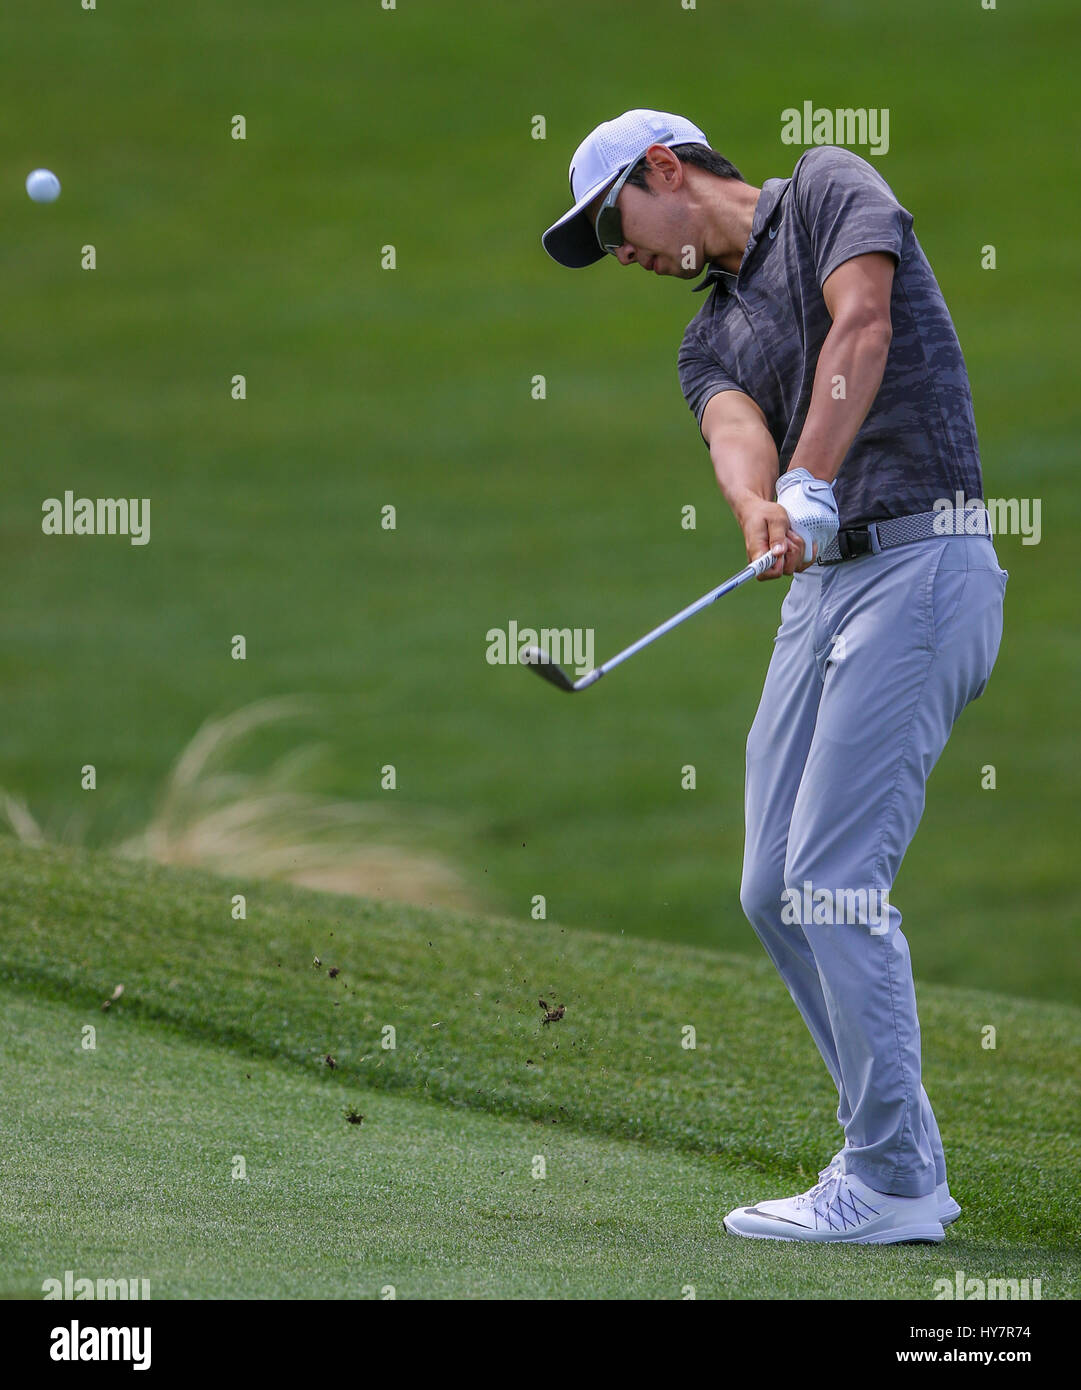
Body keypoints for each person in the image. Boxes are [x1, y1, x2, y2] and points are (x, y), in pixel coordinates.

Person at [541, 109, 1007, 1244]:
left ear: (664, 169)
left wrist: (809, 478)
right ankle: (899, 1154)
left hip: (922, 563)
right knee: (772, 886)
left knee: (836, 876)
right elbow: (731, 427)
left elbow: (862, 325)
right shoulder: (706, 335)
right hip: (824, 589)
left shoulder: (827, 188)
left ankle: (890, 1176)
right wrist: (761, 502)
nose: (622, 255)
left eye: (614, 225)